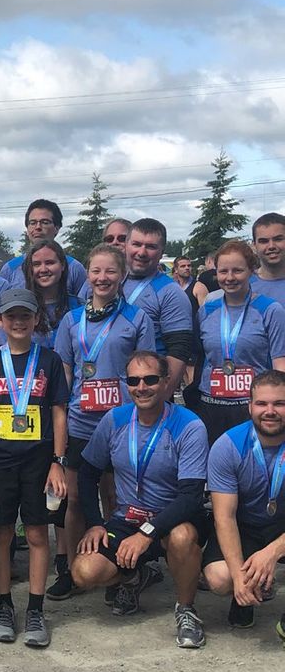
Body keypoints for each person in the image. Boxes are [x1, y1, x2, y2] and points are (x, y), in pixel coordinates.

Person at [72, 352, 210, 647]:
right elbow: (87, 473)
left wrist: (147, 533)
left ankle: (186, 610)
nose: (141, 387)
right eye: (134, 381)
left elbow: (191, 497)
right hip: (127, 519)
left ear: (167, 382)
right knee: (84, 572)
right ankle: (135, 577)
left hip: (174, 519)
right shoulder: (115, 419)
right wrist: (95, 523)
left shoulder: (189, 426)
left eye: (150, 379)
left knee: (183, 537)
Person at [53, 244, 155, 599]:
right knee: (74, 499)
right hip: (80, 422)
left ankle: (119, 571)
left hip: (121, 423)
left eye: (110, 271)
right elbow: (65, 372)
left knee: (115, 497)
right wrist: (61, 417)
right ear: (87, 275)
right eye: (96, 271)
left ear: (122, 275)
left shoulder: (137, 318)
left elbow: (146, 369)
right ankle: (69, 567)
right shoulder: (71, 320)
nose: (102, 278)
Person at [0, 288, 69, 647]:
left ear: (36, 319)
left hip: (38, 461)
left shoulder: (50, 360)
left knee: (38, 534)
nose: (18, 322)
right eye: (11, 316)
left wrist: (58, 461)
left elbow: (59, 412)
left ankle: (35, 610)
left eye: (25, 315)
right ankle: (4, 606)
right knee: (0, 534)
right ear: (0, 319)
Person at [204, 370, 285, 637]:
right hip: (245, 526)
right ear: (250, 407)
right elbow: (224, 518)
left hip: (282, 527)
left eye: (279, 403)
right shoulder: (228, 446)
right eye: (262, 403)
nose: (270, 411)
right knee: (220, 577)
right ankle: (246, 594)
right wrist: (240, 579)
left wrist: (271, 552)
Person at [194, 240, 285, 445]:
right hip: (211, 405)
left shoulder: (271, 310)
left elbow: (281, 364)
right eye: (223, 271)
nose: (229, 277)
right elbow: (200, 358)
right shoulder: (206, 310)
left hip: (253, 406)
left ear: (251, 270)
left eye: (237, 270)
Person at [123, 218, 193, 396]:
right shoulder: (107, 282)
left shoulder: (171, 292)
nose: (142, 252)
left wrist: (160, 398)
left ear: (161, 252)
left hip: (146, 391)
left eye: (151, 247)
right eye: (136, 244)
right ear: (126, 245)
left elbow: (179, 350)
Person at [0, 239, 81, 348]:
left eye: (50, 263)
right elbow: (2, 353)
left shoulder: (78, 307)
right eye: (36, 264)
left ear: (63, 265)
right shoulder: (16, 309)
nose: (43, 269)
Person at [0, 199, 86, 296]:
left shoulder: (74, 268)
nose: (38, 227)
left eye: (45, 222)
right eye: (32, 223)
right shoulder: (9, 269)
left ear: (57, 228)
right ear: (27, 229)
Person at [251, 212, 285, 307]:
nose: (271, 246)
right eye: (264, 241)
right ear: (254, 246)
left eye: (278, 239)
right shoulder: (243, 286)